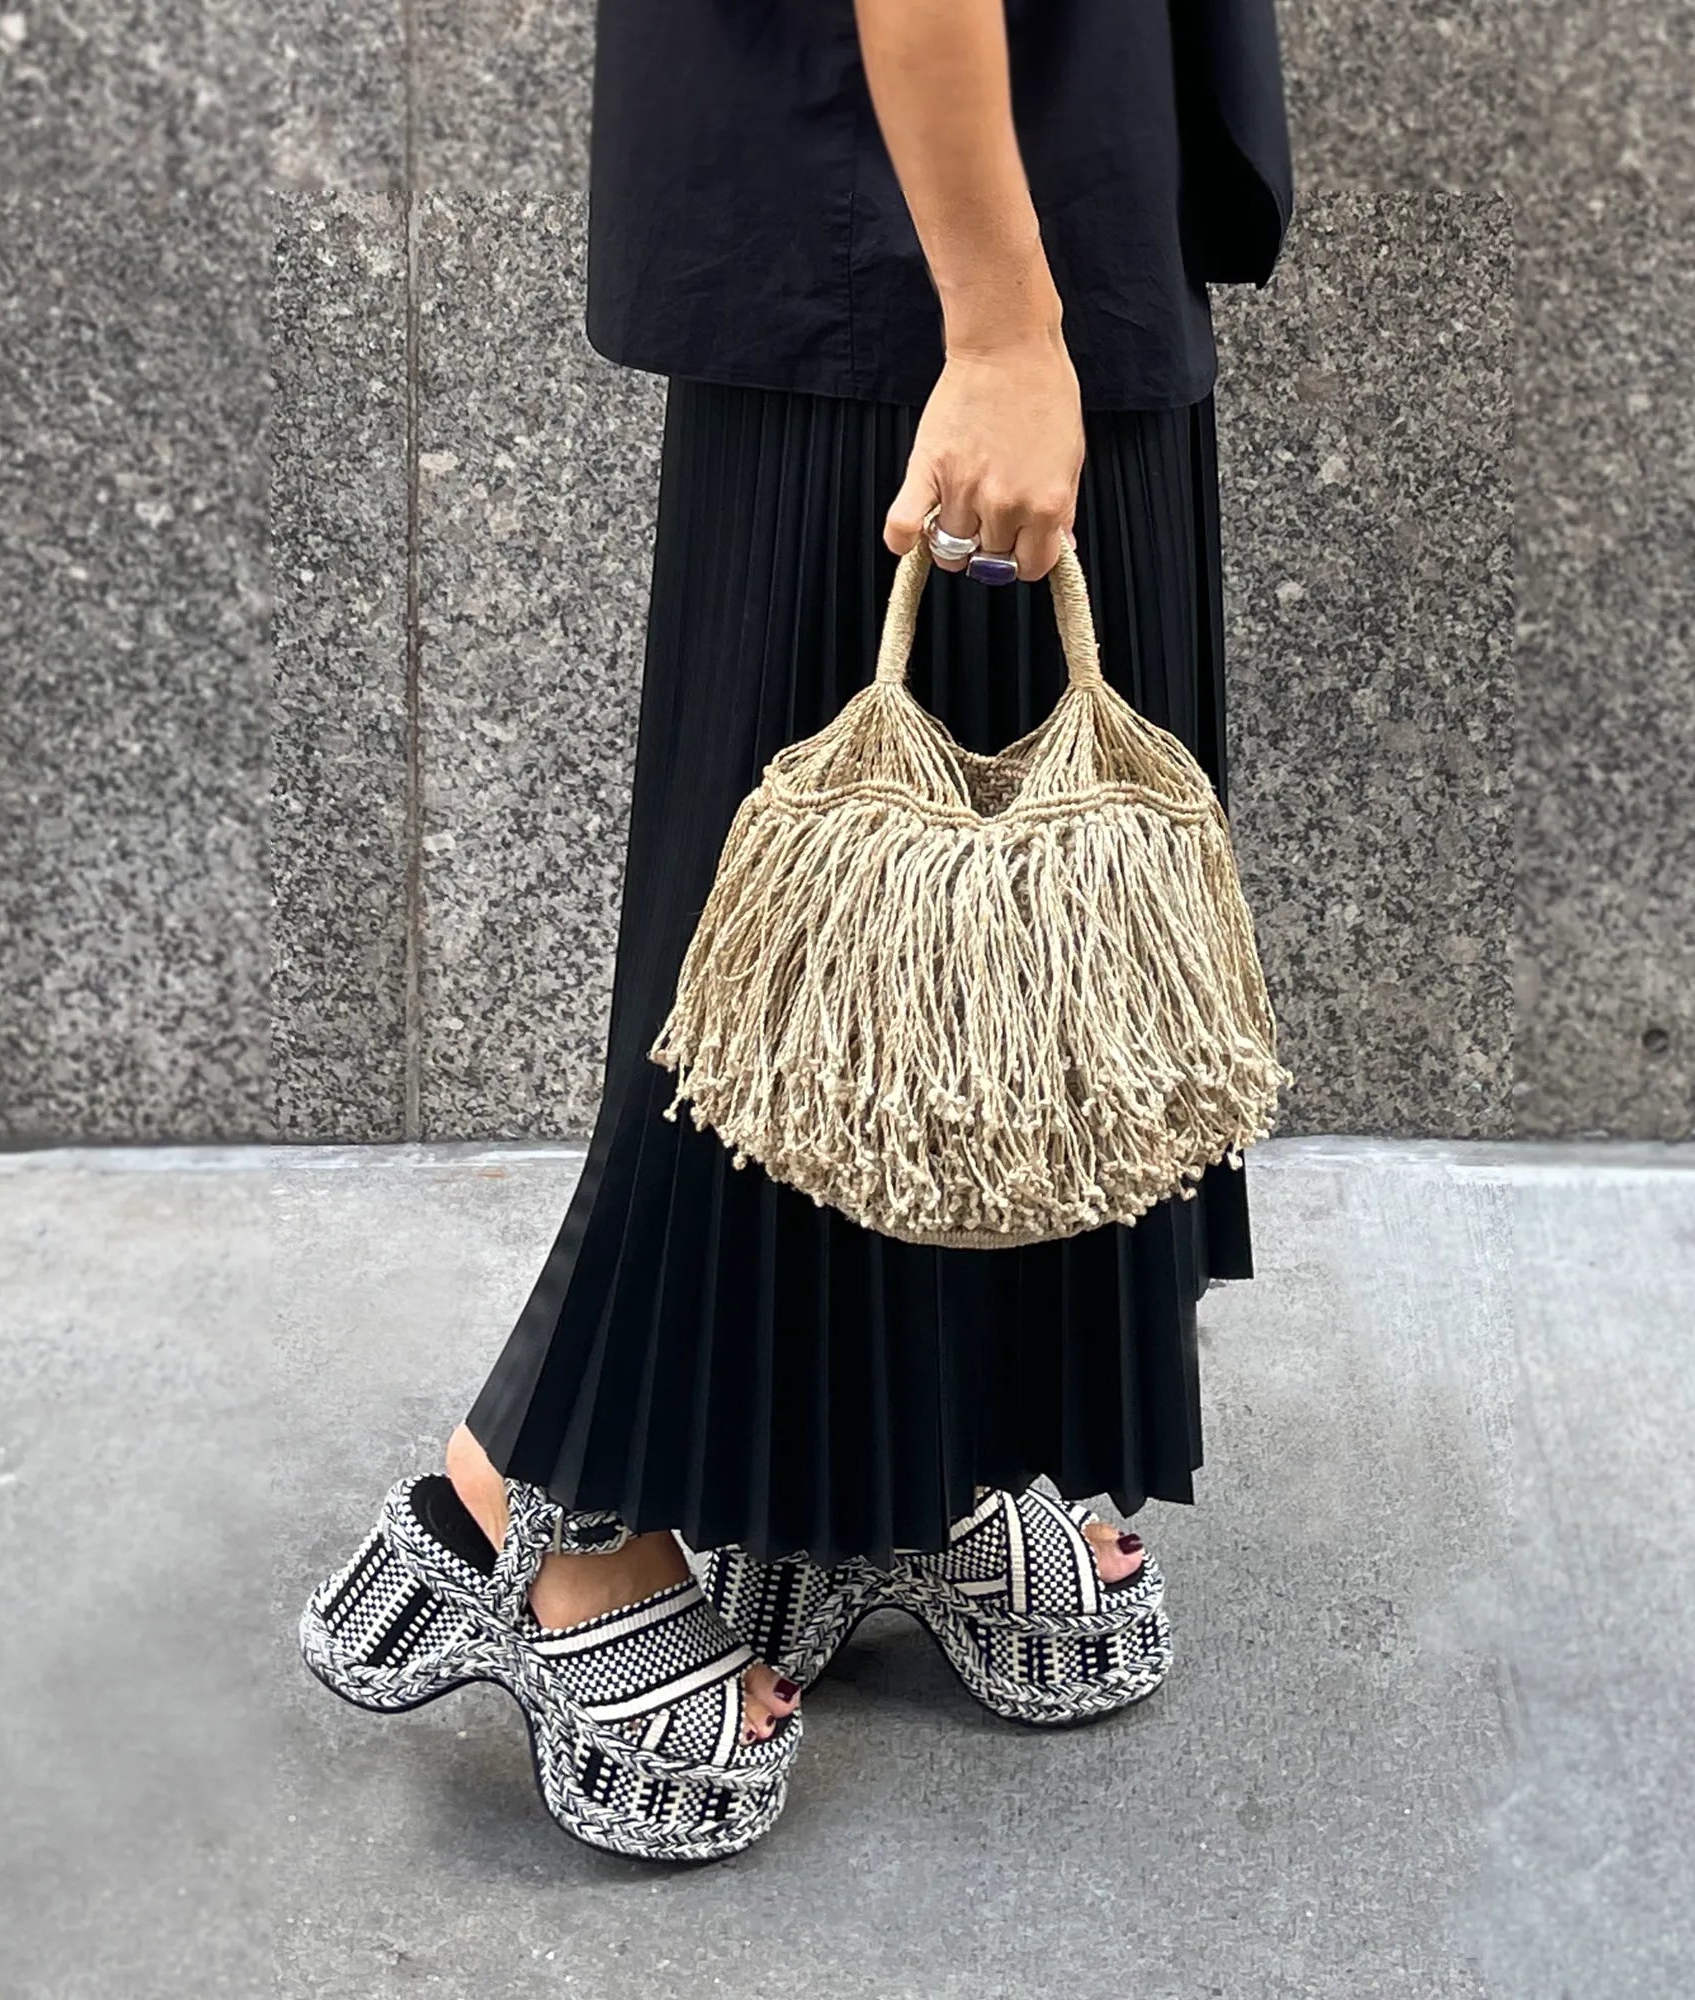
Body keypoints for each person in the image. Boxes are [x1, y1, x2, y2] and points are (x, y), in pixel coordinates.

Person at [300, 0, 1293, 1863]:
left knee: (984, 972)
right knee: (791, 968)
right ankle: (550, 1511)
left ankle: (889, 1463)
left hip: (1048, 172)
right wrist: (998, 324)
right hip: (921, 228)